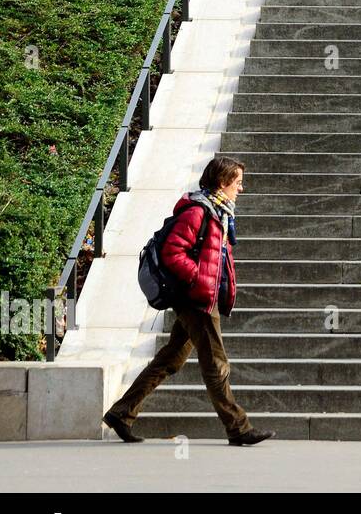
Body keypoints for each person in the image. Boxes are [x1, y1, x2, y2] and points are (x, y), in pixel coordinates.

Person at [102, 157, 275, 446]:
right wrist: (198, 280)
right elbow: (173, 252)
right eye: (238, 182)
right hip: (196, 299)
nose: (241, 189)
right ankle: (238, 427)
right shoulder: (197, 212)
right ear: (222, 183)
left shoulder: (218, 212)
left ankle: (122, 413)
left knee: (171, 358)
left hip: (201, 297)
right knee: (216, 362)